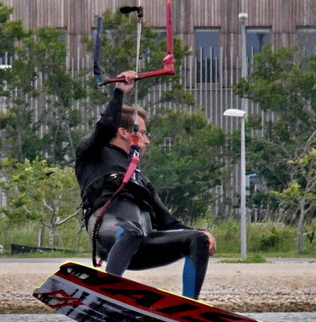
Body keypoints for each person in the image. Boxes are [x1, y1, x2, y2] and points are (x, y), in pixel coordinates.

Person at [75, 71, 216, 299]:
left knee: (197, 238)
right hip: (108, 233)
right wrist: (119, 92)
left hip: (142, 245)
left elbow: (169, 222)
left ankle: (189, 305)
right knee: (131, 231)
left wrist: (201, 233)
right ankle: (108, 291)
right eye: (142, 133)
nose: (147, 141)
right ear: (123, 132)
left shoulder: (140, 180)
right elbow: (105, 127)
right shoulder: (93, 155)